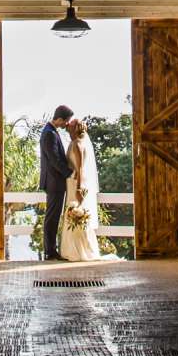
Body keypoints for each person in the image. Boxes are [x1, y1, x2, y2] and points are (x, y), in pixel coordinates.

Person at [58, 117, 119, 264]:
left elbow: (80, 169)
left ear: (75, 128)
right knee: (73, 215)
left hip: (75, 183)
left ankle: (78, 251)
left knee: (74, 213)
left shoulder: (78, 145)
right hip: (71, 182)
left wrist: (79, 188)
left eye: (70, 124)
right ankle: (74, 249)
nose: (67, 125)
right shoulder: (74, 143)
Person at [37, 104, 74, 261]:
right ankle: (50, 252)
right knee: (52, 217)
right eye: (66, 121)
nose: (67, 124)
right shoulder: (50, 134)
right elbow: (54, 160)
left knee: (53, 216)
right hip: (54, 182)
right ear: (59, 119)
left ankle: (50, 250)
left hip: (54, 181)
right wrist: (70, 174)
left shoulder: (51, 131)